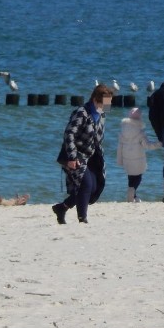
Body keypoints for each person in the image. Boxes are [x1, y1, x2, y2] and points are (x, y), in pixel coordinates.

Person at [52, 84, 113, 224]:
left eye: (108, 103)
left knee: (93, 188)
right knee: (85, 184)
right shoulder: (82, 112)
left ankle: (62, 207)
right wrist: (72, 157)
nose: (106, 107)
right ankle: (82, 219)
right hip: (74, 155)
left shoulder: (102, 114)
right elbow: (69, 134)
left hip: (91, 156)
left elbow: (97, 138)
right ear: (95, 99)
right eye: (104, 103)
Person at [116, 108, 161, 202]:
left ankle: (133, 196)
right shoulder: (140, 132)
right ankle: (132, 192)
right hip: (138, 159)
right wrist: (159, 144)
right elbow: (147, 145)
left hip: (126, 158)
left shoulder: (122, 130)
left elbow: (120, 147)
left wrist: (120, 160)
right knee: (138, 177)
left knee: (131, 177)